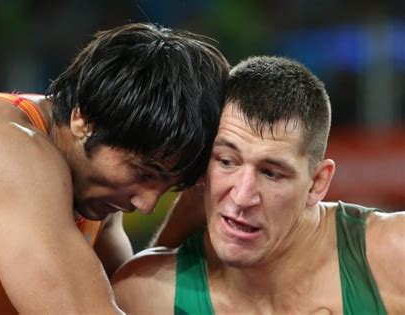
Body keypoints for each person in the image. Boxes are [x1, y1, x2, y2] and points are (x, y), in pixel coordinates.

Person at [0, 23, 229, 314]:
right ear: (83, 118)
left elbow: (129, 299)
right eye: (143, 173)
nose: (147, 204)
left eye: (167, 186)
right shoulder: (2, 151)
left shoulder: (93, 183)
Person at [111, 56, 405, 314]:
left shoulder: (394, 255)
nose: (242, 196)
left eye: (271, 173)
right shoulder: (144, 296)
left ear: (317, 183)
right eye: (226, 161)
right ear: (201, 165)